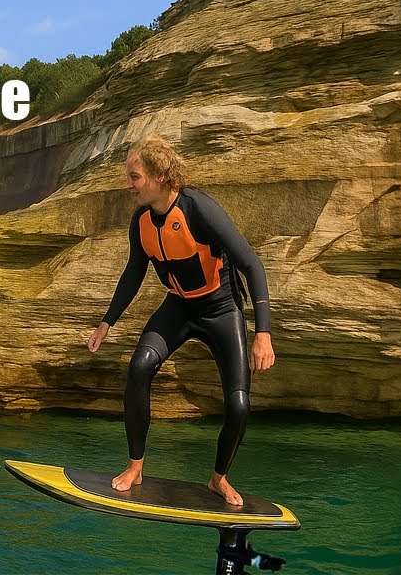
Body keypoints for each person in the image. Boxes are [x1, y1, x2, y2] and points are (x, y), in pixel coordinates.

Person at [86, 136, 274, 507]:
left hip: (221, 310)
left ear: (157, 176)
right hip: (178, 307)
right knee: (139, 367)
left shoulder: (198, 209)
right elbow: (134, 272)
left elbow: (251, 264)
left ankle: (218, 478)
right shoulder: (140, 220)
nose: (128, 184)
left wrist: (262, 333)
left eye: (134, 176)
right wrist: (106, 322)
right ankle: (135, 466)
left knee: (238, 404)